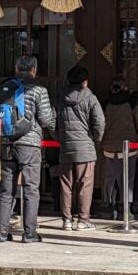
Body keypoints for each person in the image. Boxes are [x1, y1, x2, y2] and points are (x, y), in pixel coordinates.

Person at [0, 55, 56, 242]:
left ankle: (2, 232)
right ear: (34, 69)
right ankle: (29, 232)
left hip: (7, 141)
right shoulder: (39, 90)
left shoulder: (5, 87)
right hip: (29, 143)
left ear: (16, 68)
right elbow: (45, 120)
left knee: (6, 190)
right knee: (31, 188)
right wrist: (53, 113)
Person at [56, 65, 106, 231]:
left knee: (65, 184)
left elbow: (51, 120)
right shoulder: (90, 98)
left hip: (65, 147)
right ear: (85, 82)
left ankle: (66, 220)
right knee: (85, 184)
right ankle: (83, 220)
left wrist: (59, 137)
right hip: (85, 147)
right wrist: (95, 140)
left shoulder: (60, 97)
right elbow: (99, 122)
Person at [100, 86, 138, 217]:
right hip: (128, 147)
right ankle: (126, 209)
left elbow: (100, 123)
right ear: (125, 88)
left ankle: (113, 208)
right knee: (128, 179)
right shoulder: (132, 103)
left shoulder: (105, 104)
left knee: (111, 178)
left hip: (109, 147)